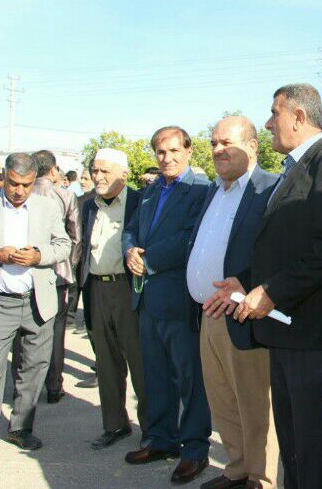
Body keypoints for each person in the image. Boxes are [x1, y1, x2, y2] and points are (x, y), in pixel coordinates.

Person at [207, 84, 322, 489]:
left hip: (311, 337)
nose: (268, 123)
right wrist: (246, 280)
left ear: (298, 117)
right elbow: (284, 246)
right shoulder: (293, 169)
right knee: (293, 450)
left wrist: (272, 291)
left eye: (274, 113)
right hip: (285, 335)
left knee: (313, 453)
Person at [0, 153, 71, 477]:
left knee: (33, 371)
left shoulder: (47, 207)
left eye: (27, 185)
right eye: (14, 184)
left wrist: (39, 255)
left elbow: (63, 245)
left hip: (37, 303)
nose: (20, 191)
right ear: (3, 177)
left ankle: (20, 428)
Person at [188, 116, 280, 489]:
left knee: (255, 404)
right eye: (213, 143)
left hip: (244, 314)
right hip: (209, 316)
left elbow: (278, 251)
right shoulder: (214, 191)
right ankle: (237, 468)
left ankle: (262, 478)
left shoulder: (269, 188)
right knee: (223, 400)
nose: (217, 150)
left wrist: (250, 283)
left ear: (252, 146)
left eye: (226, 142)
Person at [122, 126, 212, 484]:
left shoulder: (200, 190)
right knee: (156, 375)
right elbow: (130, 229)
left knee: (190, 380)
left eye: (174, 150)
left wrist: (149, 259)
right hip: (147, 300)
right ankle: (161, 440)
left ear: (188, 151)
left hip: (179, 300)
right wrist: (129, 250)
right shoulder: (151, 190)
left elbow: (191, 237)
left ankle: (194, 449)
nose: (167, 158)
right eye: (161, 152)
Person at [80, 149, 146, 450]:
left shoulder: (140, 202)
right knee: (106, 363)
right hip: (96, 290)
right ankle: (115, 425)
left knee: (140, 363)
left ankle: (152, 428)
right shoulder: (88, 205)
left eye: (105, 171)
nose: (98, 176)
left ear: (124, 174)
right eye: (95, 170)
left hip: (128, 290)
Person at [14, 150, 81, 404]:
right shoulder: (65, 195)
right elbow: (75, 237)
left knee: (21, 334)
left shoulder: (19, 192)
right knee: (55, 331)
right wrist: (69, 266)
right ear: (53, 170)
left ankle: (21, 389)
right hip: (57, 272)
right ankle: (54, 386)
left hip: (23, 272)